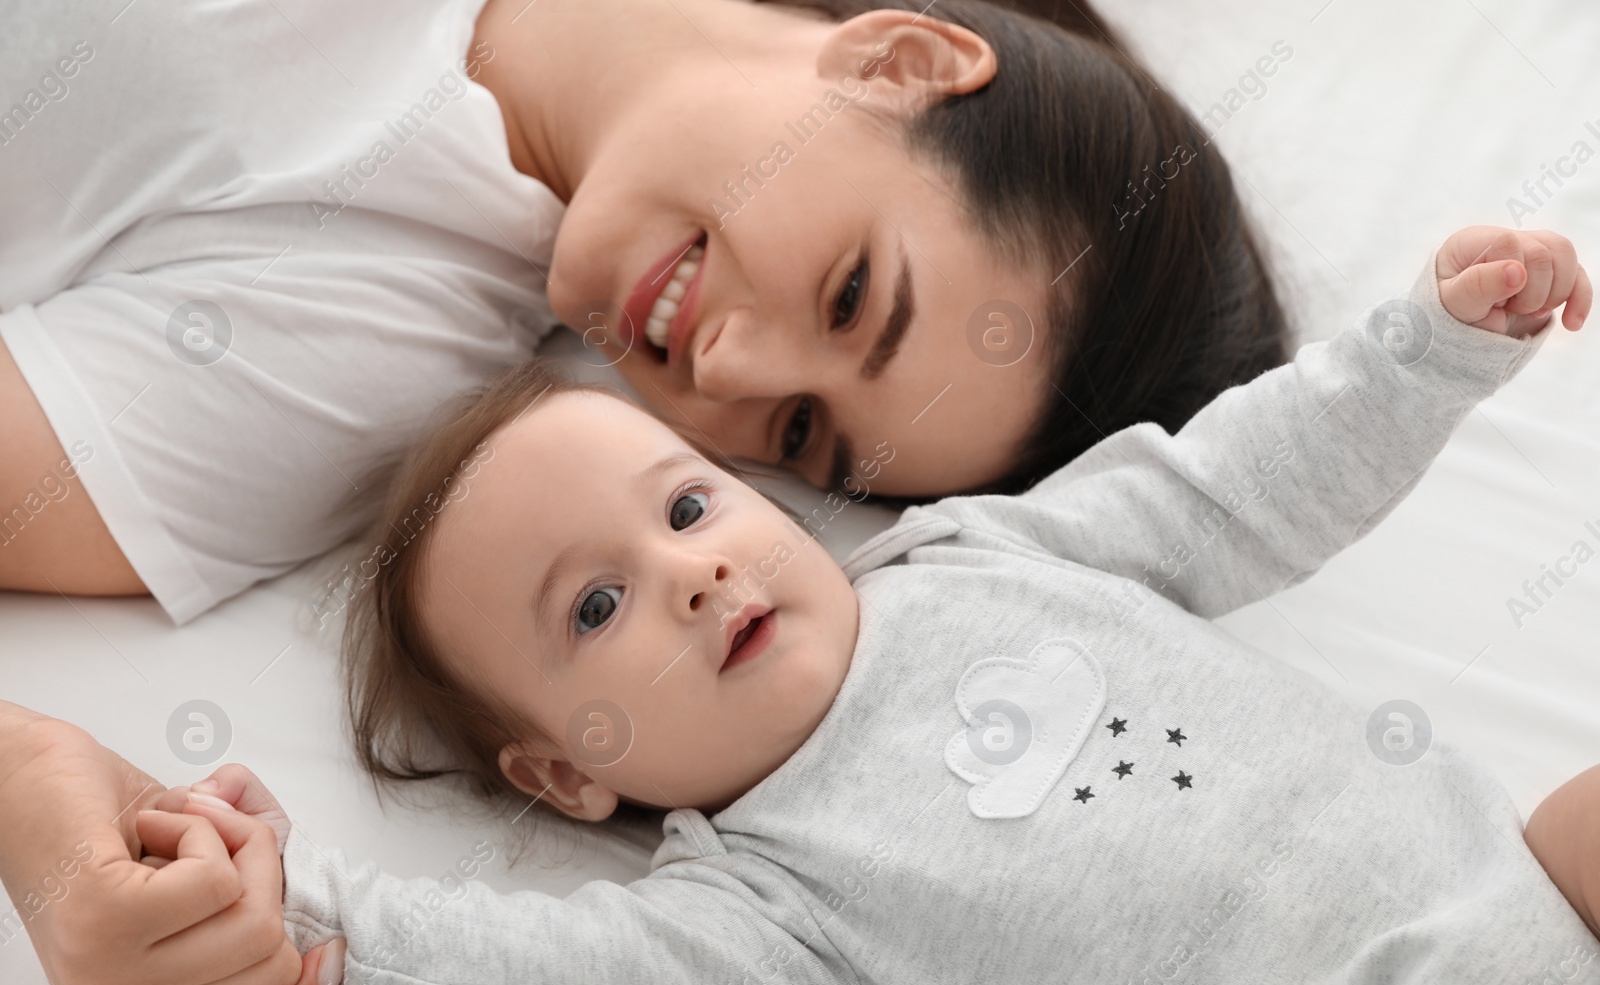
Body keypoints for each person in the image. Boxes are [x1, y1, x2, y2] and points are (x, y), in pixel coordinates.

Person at [5, 225, 1589, 985]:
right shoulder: (769, 909)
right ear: (561, 772)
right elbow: (518, 976)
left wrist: (1426, 347)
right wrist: (280, 904)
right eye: (598, 607)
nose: (686, 576)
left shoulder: (984, 546)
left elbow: (1239, 485)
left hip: (1519, 879)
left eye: (687, 508)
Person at [0, 0, 1286, 623]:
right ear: (902, 62)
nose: (725, 369)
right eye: (849, 297)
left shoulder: (357, 354)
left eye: (796, 432)